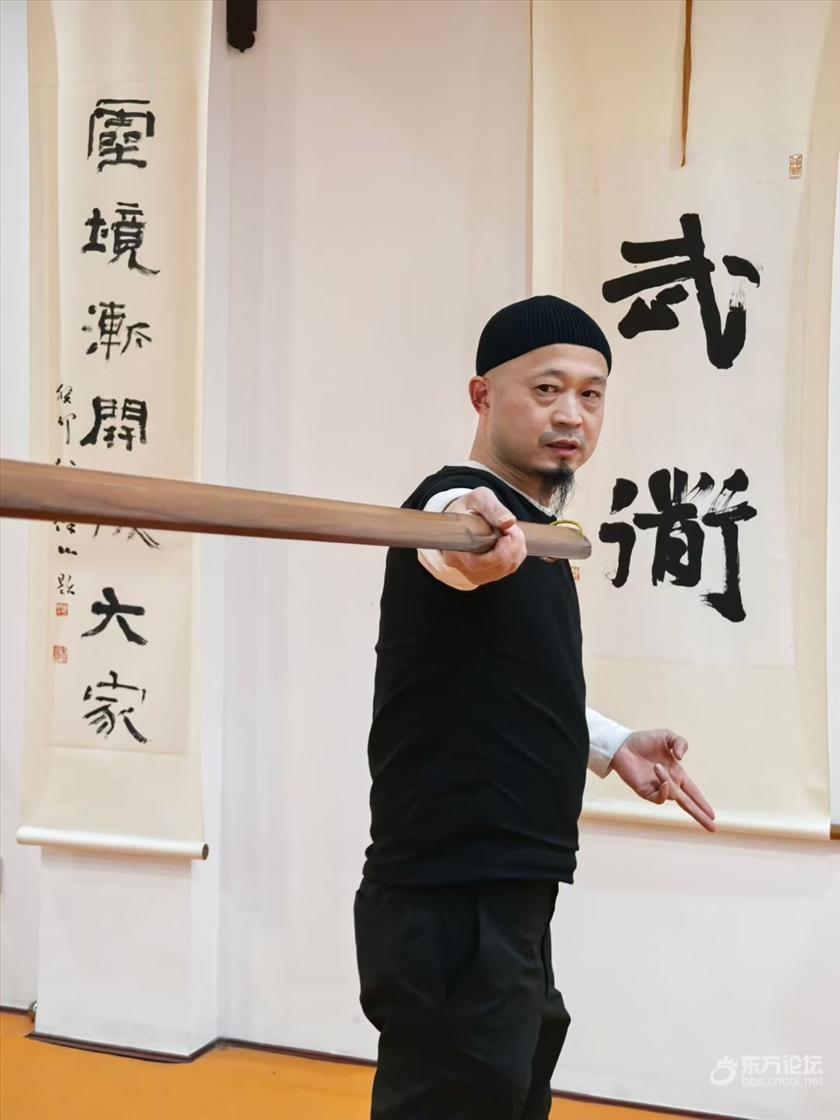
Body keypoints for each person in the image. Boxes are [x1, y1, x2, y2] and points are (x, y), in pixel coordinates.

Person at [354, 295, 716, 1120]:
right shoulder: (456, 506)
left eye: (591, 394)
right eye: (546, 389)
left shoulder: (539, 534)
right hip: (449, 890)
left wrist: (612, 744)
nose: (571, 415)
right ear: (482, 396)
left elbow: (511, 681)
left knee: (514, 1095)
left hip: (511, 886)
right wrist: (470, 536)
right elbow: (450, 536)